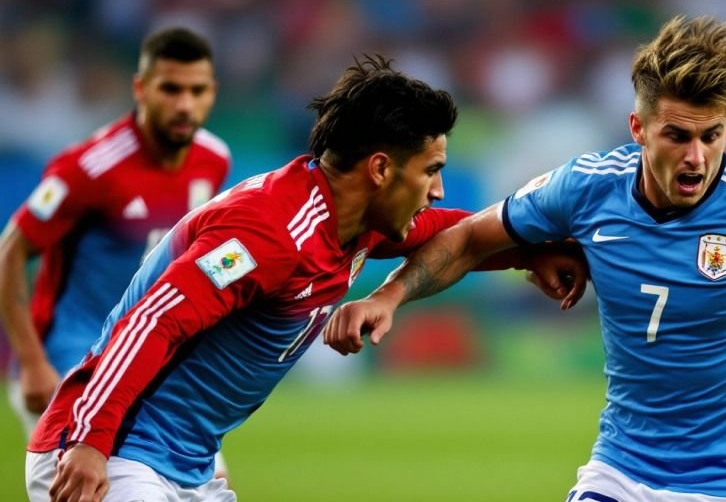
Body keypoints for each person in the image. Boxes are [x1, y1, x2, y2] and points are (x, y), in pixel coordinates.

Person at [326, 16, 726, 502]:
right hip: (623, 470)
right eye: (677, 135)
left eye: (712, 136)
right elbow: (468, 238)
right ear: (638, 129)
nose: (696, 156)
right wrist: (387, 296)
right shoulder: (587, 187)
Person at [26, 54, 586, 502]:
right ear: (382, 169)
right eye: (431, 171)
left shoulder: (355, 219)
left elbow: (451, 233)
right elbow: (152, 324)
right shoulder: (266, 235)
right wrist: (90, 444)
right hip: (111, 452)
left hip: (186, 463)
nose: (437, 189)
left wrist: (526, 254)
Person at [0, 28, 229, 440]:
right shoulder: (89, 168)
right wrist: (31, 362)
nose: (184, 104)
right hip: (70, 358)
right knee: (94, 483)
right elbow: (9, 252)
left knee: (212, 485)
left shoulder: (213, 160)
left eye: (197, 91)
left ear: (213, 92)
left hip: (147, 353)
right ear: (140, 89)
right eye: (170, 89)